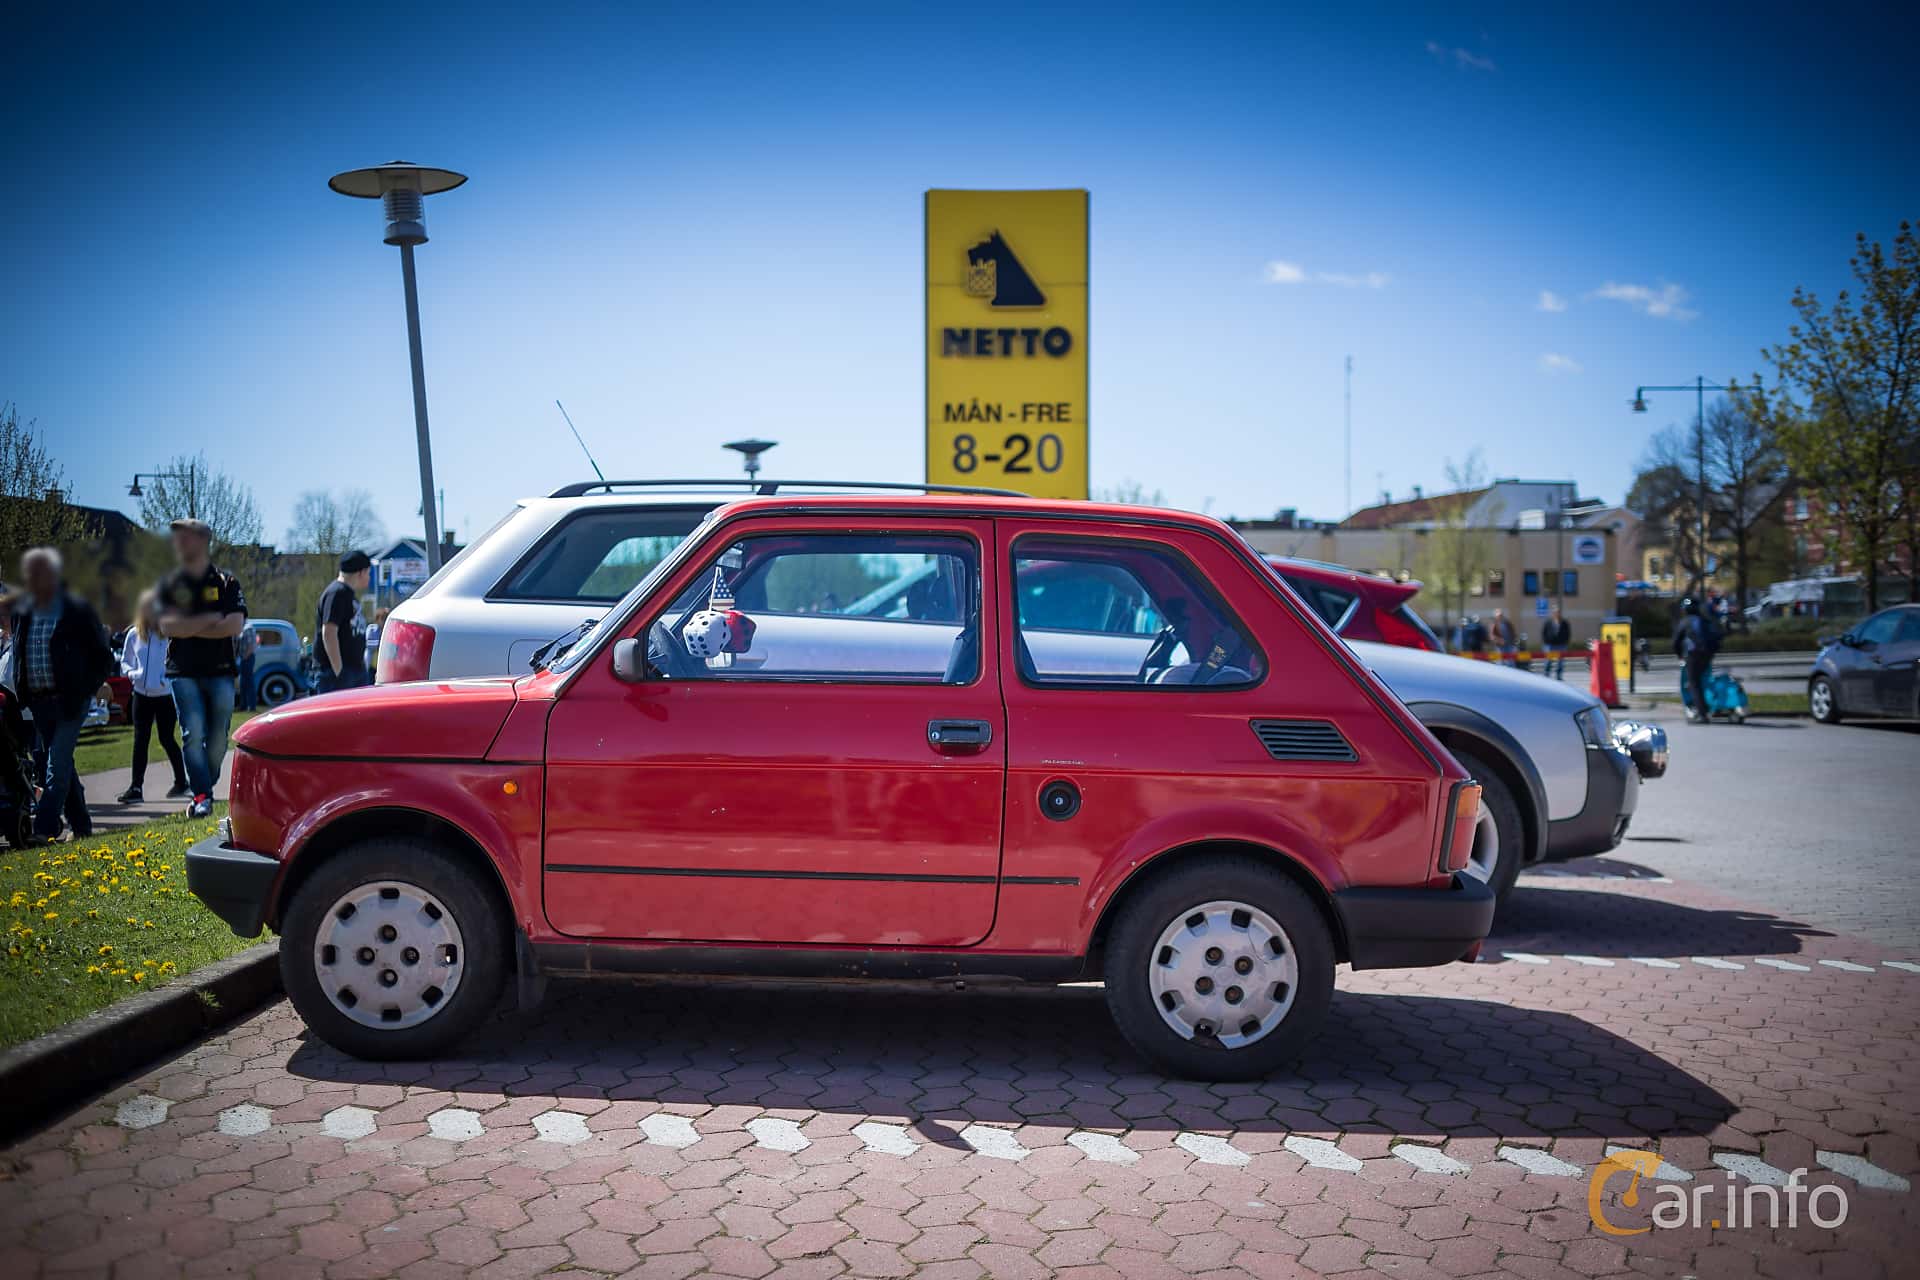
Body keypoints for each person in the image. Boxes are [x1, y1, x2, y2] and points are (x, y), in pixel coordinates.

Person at [8, 548, 113, 841]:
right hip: (39, 700)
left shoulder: (76, 609)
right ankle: (82, 826)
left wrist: (87, 688)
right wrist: (23, 689)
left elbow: (103, 657)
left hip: (70, 700)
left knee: (56, 764)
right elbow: (19, 653)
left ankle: (44, 830)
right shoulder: (23, 611)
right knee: (62, 764)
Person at [157, 518, 248, 818]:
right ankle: (202, 795)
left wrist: (189, 626)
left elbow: (235, 625)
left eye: (184, 538)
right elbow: (166, 625)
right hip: (181, 671)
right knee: (192, 733)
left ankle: (204, 784)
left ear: (202, 541)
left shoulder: (226, 582)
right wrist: (211, 621)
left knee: (219, 737)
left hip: (220, 670)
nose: (178, 543)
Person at [116, 588, 190, 804]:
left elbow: (179, 661)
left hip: (165, 695)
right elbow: (125, 661)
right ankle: (136, 788)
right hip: (141, 695)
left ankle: (181, 781)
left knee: (167, 738)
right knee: (141, 740)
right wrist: (133, 674)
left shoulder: (169, 634)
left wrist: (165, 679)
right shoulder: (133, 634)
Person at [315, 551, 372, 694]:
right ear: (361, 572)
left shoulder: (348, 594)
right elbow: (329, 632)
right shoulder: (337, 593)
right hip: (338, 674)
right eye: (368, 573)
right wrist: (339, 672)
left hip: (354, 670)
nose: (369, 577)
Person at [1674, 596, 1722, 724]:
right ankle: (1714, 705)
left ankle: (1702, 713)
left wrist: (1679, 655)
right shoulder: (1704, 620)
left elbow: (1676, 641)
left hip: (1693, 656)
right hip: (1707, 654)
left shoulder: (1685, 622)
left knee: (1694, 683)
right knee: (1706, 680)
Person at [235, 621, 260, 711]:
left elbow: (251, 645)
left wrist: (245, 656)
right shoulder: (244, 627)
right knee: (243, 683)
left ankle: (252, 706)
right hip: (244, 657)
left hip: (247, 657)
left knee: (249, 682)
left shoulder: (248, 628)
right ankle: (243, 705)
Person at [1541, 607, 1572, 680]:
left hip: (1561, 645)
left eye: (1558, 612)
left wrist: (1566, 642)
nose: (1556, 614)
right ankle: (1546, 675)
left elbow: (1568, 633)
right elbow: (1544, 632)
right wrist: (1546, 642)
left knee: (1560, 662)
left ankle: (1559, 676)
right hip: (1550, 645)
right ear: (1553, 614)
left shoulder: (1564, 623)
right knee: (1548, 661)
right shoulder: (1548, 622)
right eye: (1555, 612)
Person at [364, 607, 389, 681]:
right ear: (377, 619)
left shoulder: (390, 632)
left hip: (383, 667)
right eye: (382, 619)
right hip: (371, 666)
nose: (384, 621)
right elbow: (369, 645)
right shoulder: (371, 629)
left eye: (385, 619)